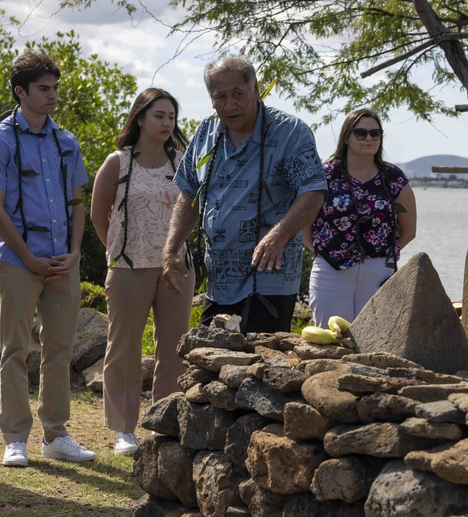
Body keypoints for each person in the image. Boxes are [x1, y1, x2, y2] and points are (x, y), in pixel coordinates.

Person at [0, 48, 96, 467]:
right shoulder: (0, 139)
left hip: (63, 261)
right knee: (14, 348)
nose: (52, 96)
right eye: (43, 89)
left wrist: (75, 252)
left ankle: (56, 435)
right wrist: (28, 257)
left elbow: (79, 202)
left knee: (59, 349)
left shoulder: (66, 141)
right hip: (15, 261)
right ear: (20, 92)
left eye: (55, 88)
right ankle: (15, 438)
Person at [162, 56, 326, 334]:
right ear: (211, 100)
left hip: (269, 282)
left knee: (259, 369)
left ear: (256, 89)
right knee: (210, 367)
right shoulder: (205, 133)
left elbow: (313, 192)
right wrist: (171, 248)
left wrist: (279, 235)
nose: (229, 105)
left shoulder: (291, 132)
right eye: (220, 97)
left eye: (237, 94)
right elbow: (188, 194)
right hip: (219, 285)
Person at [90, 89, 194, 456]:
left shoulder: (183, 162)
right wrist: (119, 251)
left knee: (174, 348)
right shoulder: (118, 162)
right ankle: (123, 430)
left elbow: (193, 211)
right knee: (124, 348)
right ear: (140, 118)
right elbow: (98, 213)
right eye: (159, 116)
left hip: (175, 269)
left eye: (171, 117)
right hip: (127, 268)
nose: (167, 123)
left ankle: (164, 423)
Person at [304, 109, 416, 326]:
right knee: (331, 338)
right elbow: (304, 226)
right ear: (346, 136)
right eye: (361, 133)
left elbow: (409, 231)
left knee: (376, 337)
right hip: (330, 270)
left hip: (378, 271)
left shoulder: (393, 178)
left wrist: (382, 259)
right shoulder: (325, 174)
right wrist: (322, 254)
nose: (369, 139)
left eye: (375, 133)